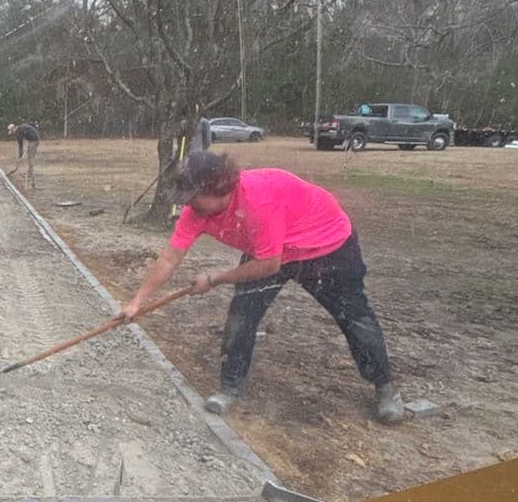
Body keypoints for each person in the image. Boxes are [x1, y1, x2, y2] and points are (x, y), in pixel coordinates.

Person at [121, 151, 405, 424]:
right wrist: (137, 302)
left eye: (194, 197)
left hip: (325, 245)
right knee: (242, 314)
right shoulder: (196, 211)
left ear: (219, 188)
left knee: (353, 316)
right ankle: (230, 389)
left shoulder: (259, 202)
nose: (189, 205)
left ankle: (385, 387)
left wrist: (215, 279)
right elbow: (170, 258)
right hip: (270, 249)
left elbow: (269, 265)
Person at [7, 121, 40, 186]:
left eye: (12, 131)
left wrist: (20, 156)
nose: (13, 133)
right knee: (30, 154)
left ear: (14, 128)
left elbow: (20, 146)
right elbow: (32, 126)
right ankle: (30, 170)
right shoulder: (21, 127)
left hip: (34, 140)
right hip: (34, 138)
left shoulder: (18, 132)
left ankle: (30, 172)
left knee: (30, 156)